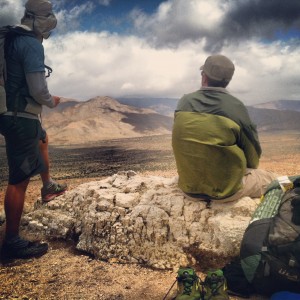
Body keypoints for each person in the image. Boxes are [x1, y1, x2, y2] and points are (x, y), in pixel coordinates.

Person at [0, 0, 67, 259]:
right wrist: (52, 102)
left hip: (9, 112)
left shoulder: (10, 39)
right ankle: (12, 242)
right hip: (20, 116)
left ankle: (48, 185)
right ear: (43, 22)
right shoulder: (30, 44)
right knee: (19, 180)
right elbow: (39, 89)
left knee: (42, 137)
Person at [172, 54, 277, 203]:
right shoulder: (236, 107)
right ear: (228, 81)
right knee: (272, 179)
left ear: (204, 77)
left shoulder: (184, 102)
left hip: (188, 189)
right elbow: (253, 157)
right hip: (226, 192)